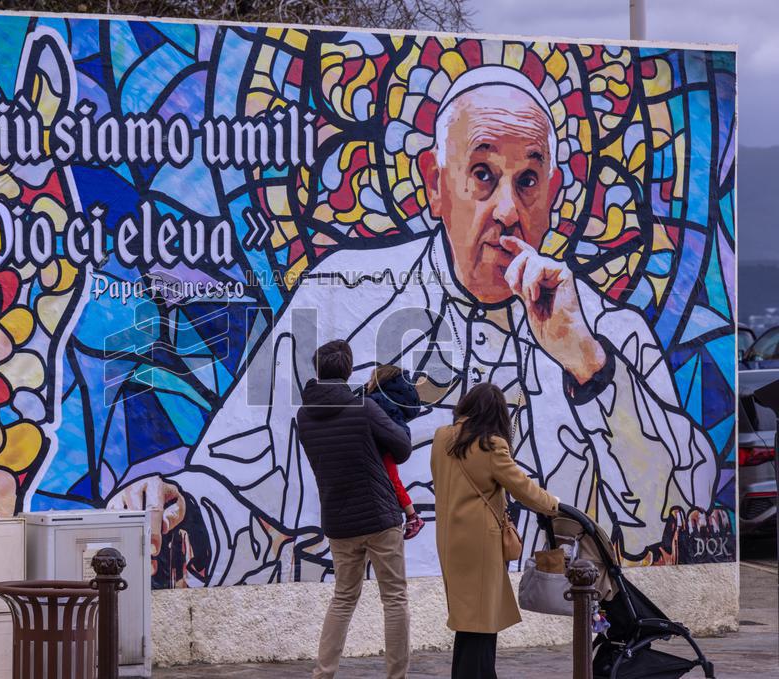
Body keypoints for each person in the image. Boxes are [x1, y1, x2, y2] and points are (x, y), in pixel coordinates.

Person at [109, 64, 720, 588]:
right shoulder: (338, 295)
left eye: (527, 181)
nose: (508, 208)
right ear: (436, 186)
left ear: (553, 194)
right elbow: (240, 488)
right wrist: (180, 513)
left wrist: (587, 364)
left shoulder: (607, 335)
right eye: (483, 174)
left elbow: (677, 512)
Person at [296, 339, 413, 679]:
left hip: (339, 520)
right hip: (379, 516)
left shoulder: (304, 416)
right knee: (394, 599)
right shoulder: (364, 408)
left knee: (343, 598)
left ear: (318, 371)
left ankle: (324, 672)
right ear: (347, 371)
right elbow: (402, 447)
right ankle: (396, 676)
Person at [430, 382, 559, 679]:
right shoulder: (491, 446)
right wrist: (554, 504)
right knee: (482, 621)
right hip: (480, 543)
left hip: (450, 540)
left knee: (468, 619)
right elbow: (524, 488)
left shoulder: (441, 438)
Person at [365, 364, 426, 539]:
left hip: (382, 447)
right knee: (393, 480)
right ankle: (413, 516)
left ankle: (413, 517)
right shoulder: (393, 396)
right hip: (388, 445)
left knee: (393, 481)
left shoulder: (377, 399)